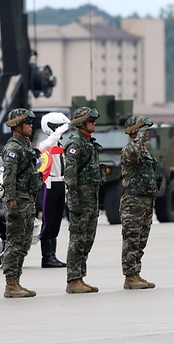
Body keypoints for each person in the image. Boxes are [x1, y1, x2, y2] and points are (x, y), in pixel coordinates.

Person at [63, 106, 104, 293]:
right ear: (81, 123)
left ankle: (80, 276)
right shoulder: (75, 145)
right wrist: (73, 201)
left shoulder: (88, 143)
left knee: (88, 239)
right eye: (91, 120)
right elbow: (70, 176)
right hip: (80, 199)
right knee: (77, 239)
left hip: (91, 199)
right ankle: (72, 279)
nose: (94, 123)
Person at [2, 108, 41, 298]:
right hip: (17, 201)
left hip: (27, 199)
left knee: (24, 242)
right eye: (28, 123)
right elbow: (8, 179)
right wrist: (12, 202)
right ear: (17, 125)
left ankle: (16, 281)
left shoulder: (25, 146)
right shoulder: (13, 148)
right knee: (15, 242)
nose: (31, 126)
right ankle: (10, 284)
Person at [120, 115, 159, 290]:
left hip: (146, 200)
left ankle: (136, 272)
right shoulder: (130, 149)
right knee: (132, 239)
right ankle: (129, 276)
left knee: (141, 239)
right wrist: (140, 135)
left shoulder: (144, 150)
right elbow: (133, 155)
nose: (148, 133)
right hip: (133, 201)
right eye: (144, 130)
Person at [37, 112, 71, 268]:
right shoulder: (46, 143)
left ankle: (53, 256)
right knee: (48, 222)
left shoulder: (59, 145)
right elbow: (46, 145)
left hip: (60, 185)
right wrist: (60, 130)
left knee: (56, 221)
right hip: (49, 185)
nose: (60, 130)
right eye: (56, 126)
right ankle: (46, 257)